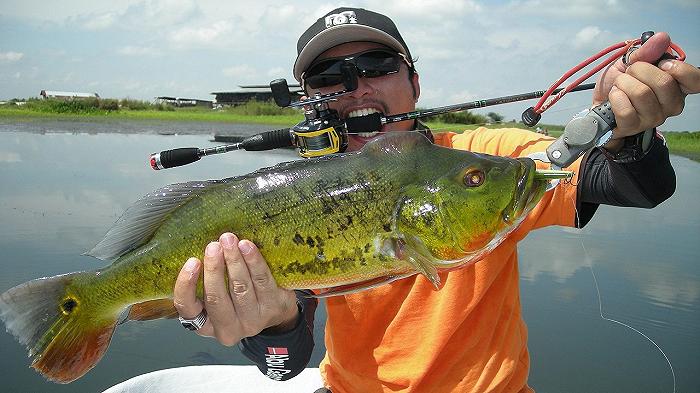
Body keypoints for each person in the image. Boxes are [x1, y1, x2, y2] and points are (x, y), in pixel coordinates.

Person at [173, 7, 699, 392]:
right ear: (310, 99)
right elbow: (286, 364)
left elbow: (631, 185)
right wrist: (272, 323)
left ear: (415, 82)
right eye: (330, 78)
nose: (358, 87)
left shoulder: (482, 161)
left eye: (377, 66)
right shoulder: (298, 199)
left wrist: (632, 133)